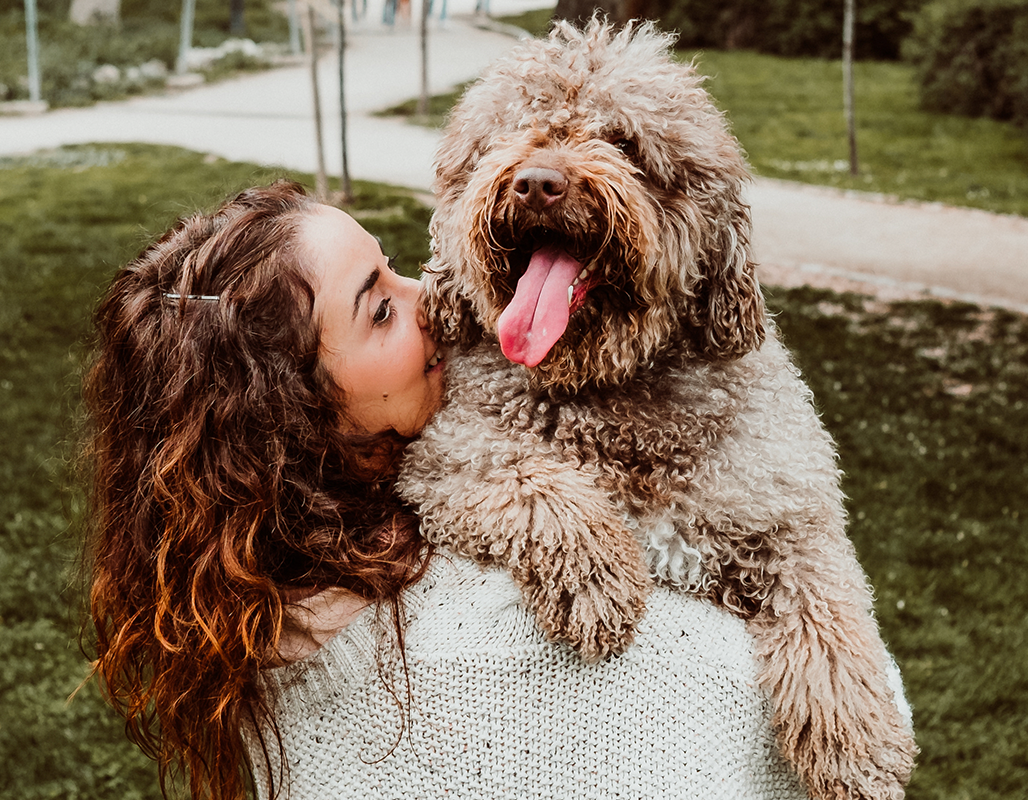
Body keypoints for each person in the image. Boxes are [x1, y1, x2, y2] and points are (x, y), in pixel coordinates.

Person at [81, 181, 903, 800]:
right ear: (291, 413)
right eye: (380, 311)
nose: (433, 299)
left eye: (397, 267)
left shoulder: (239, 635)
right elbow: (848, 719)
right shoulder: (536, 638)